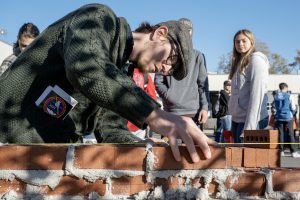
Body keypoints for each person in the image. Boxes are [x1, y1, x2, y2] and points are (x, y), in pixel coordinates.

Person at [0, 4, 214, 162]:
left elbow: (109, 129)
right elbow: (87, 68)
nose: (166, 69)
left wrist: (145, 146)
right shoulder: (99, 19)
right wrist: (155, 114)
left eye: (172, 70)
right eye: (171, 59)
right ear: (159, 33)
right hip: (9, 137)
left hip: (44, 157)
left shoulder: (121, 74)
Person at [154, 18, 209, 131]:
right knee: (169, 148)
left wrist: (204, 107)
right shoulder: (165, 53)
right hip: (171, 112)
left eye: (188, 31)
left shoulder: (198, 56)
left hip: (193, 113)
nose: (185, 34)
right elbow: (158, 81)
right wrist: (169, 95)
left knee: (192, 148)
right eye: (181, 30)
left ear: (191, 33)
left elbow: (203, 85)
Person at [228, 29, 269, 143]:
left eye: (244, 41)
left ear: (251, 42)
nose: (240, 44)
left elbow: (257, 94)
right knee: (237, 159)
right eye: (237, 42)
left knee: (250, 159)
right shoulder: (238, 62)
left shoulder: (256, 60)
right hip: (237, 120)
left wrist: (250, 127)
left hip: (251, 121)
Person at [127, 67, 157, 139]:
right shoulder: (145, 74)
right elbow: (153, 100)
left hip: (135, 125)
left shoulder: (144, 75)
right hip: (138, 123)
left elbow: (153, 99)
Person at [273, 83, 300, 158]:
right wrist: (293, 114)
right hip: (288, 117)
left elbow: (274, 108)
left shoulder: (276, 96)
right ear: (286, 88)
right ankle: (293, 152)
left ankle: (281, 151)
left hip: (279, 117)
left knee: (280, 134)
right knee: (290, 134)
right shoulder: (290, 95)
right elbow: (293, 107)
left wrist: (276, 115)